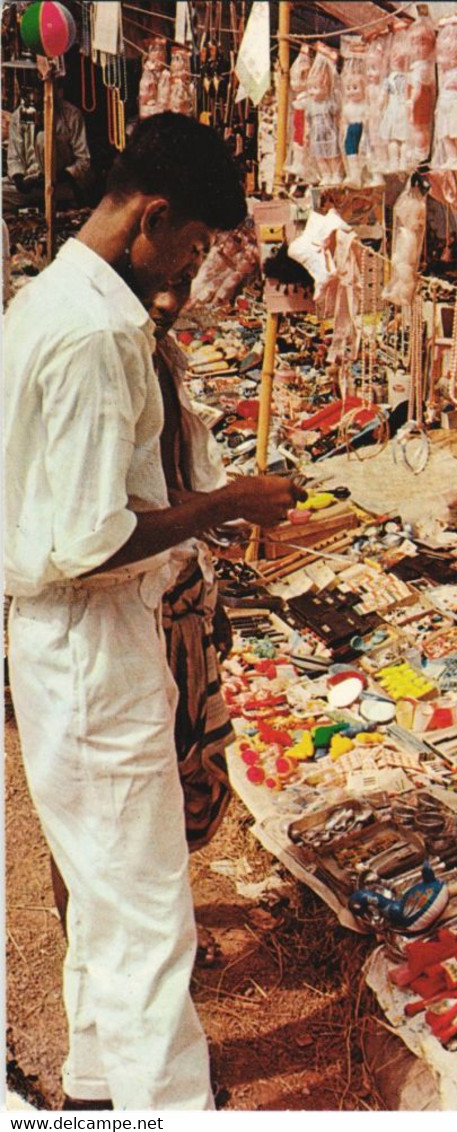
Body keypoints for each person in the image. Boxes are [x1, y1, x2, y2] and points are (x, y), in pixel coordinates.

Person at [4, 112, 302, 1111]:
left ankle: (95, 1081)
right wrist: (228, 504)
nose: (193, 263)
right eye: (194, 243)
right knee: (146, 917)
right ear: (154, 217)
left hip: (70, 649)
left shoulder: (56, 304)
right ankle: (164, 1104)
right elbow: (90, 540)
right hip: (90, 645)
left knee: (107, 891)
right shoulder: (92, 334)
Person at [47, 277, 238, 965]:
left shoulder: (152, 358)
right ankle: (111, 965)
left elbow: (175, 484)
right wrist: (221, 508)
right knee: (104, 819)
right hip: (126, 613)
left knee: (161, 802)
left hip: (173, 596)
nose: (174, 294)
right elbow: (98, 534)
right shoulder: (96, 360)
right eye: (172, 271)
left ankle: (140, 949)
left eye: (187, 276)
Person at [3, 82, 91, 210]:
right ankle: (36, 201)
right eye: (33, 92)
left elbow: (83, 160)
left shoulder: (72, 115)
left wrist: (62, 176)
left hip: (60, 184)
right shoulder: (20, 115)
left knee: (42, 138)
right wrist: (19, 179)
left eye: (40, 91)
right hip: (31, 185)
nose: (36, 96)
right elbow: (14, 157)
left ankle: (54, 201)